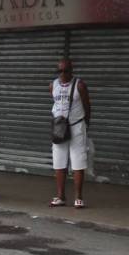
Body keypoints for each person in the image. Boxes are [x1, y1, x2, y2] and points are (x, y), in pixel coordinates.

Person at [49, 57, 91, 209]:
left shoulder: (79, 85)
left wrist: (85, 124)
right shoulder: (53, 85)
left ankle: (78, 197)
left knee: (78, 162)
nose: (62, 74)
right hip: (60, 128)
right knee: (59, 162)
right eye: (59, 71)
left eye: (65, 71)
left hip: (76, 126)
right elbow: (56, 104)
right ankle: (60, 196)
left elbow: (87, 106)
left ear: (71, 70)